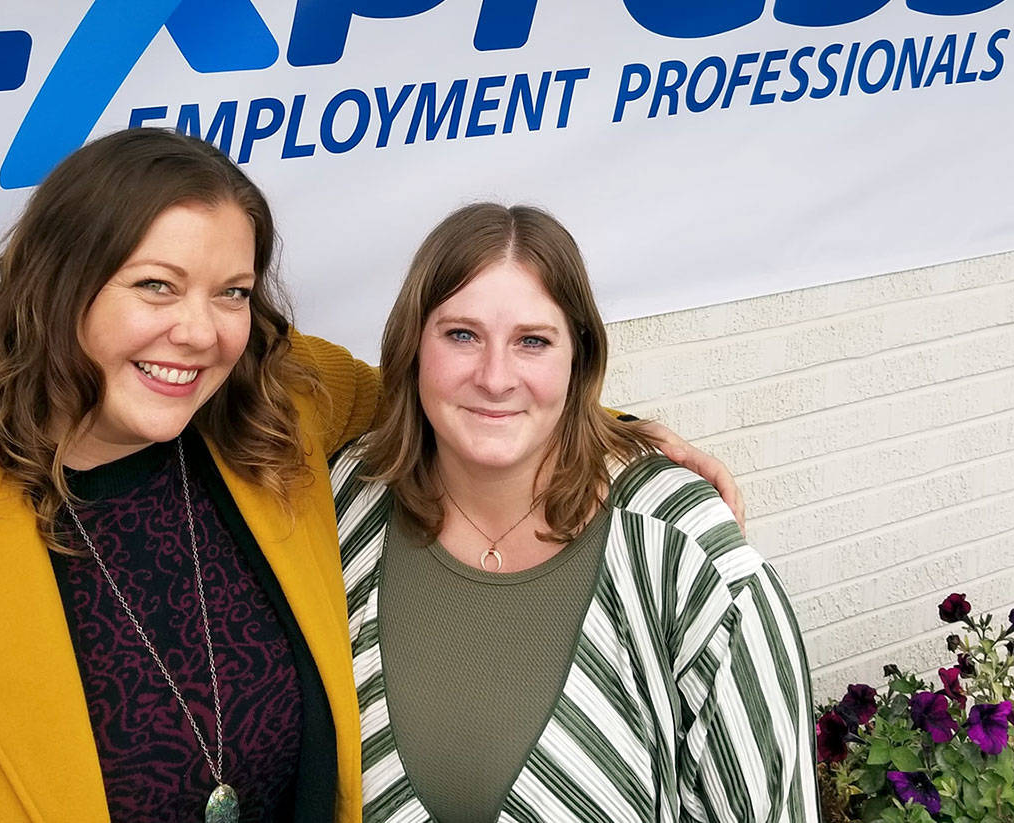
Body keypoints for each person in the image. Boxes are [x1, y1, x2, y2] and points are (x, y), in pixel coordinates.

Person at [0, 129, 738, 823]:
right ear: (58, 284)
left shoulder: (272, 405)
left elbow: (451, 397)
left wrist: (611, 427)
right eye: (155, 285)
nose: (199, 331)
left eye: (232, 293)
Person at [333, 203, 819, 823]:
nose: (495, 377)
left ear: (578, 359)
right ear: (412, 346)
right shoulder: (349, 498)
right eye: (461, 335)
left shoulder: (683, 548)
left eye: (533, 341)